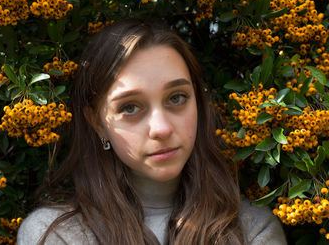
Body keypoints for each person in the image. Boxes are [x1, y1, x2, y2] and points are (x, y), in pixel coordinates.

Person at [17, 18, 287, 245]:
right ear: (97, 122)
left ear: (199, 104)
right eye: (130, 107)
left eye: (177, 98)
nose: (161, 128)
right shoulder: (54, 236)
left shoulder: (253, 232)